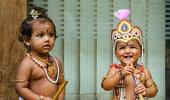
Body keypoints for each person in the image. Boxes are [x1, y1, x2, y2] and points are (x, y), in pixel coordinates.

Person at [101, 9, 158, 100]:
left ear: (141, 52)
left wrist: (146, 91)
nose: (127, 51)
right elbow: (105, 86)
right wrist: (121, 74)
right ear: (115, 53)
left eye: (133, 47)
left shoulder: (144, 71)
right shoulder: (115, 70)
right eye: (122, 47)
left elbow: (154, 89)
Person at [15, 5, 66, 100]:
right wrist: (40, 98)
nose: (47, 39)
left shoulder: (56, 61)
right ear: (27, 40)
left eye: (51, 34)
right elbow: (20, 88)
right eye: (40, 35)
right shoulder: (28, 64)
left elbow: (61, 84)